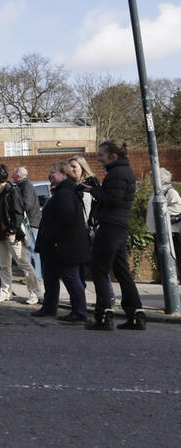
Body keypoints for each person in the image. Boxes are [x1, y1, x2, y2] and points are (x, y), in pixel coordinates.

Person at [84, 140, 146, 331]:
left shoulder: (117, 174)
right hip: (120, 227)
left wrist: (93, 190)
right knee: (122, 272)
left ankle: (104, 316)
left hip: (111, 226)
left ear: (113, 156)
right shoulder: (123, 172)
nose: (98, 158)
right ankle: (136, 315)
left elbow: (113, 200)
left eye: (101, 155)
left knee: (100, 270)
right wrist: (99, 188)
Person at [33, 161, 90, 323]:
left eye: (54, 171)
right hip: (54, 245)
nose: (50, 174)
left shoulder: (65, 193)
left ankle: (80, 312)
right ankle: (50, 307)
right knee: (50, 277)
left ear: (64, 175)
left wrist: (55, 240)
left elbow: (65, 220)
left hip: (64, 246)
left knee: (71, 278)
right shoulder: (61, 192)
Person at [0, 164, 41, 305]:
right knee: (4, 265)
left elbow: (18, 212)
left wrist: (13, 229)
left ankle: (34, 292)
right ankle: (5, 292)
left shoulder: (11, 191)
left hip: (11, 234)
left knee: (23, 263)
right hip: (0, 234)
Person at [146, 167, 181, 272]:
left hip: (169, 230)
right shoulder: (159, 191)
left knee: (171, 253)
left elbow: (179, 206)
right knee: (159, 253)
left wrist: (163, 212)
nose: (151, 179)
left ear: (161, 179)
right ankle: (163, 276)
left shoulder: (170, 191)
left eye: (154, 177)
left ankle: (173, 276)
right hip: (158, 228)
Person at [12, 166, 43, 282]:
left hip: (31, 222)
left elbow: (27, 204)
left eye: (13, 176)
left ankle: (37, 277)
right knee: (29, 251)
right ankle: (32, 277)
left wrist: (16, 206)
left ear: (18, 176)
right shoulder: (23, 186)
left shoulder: (26, 186)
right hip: (30, 221)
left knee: (33, 250)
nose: (12, 178)